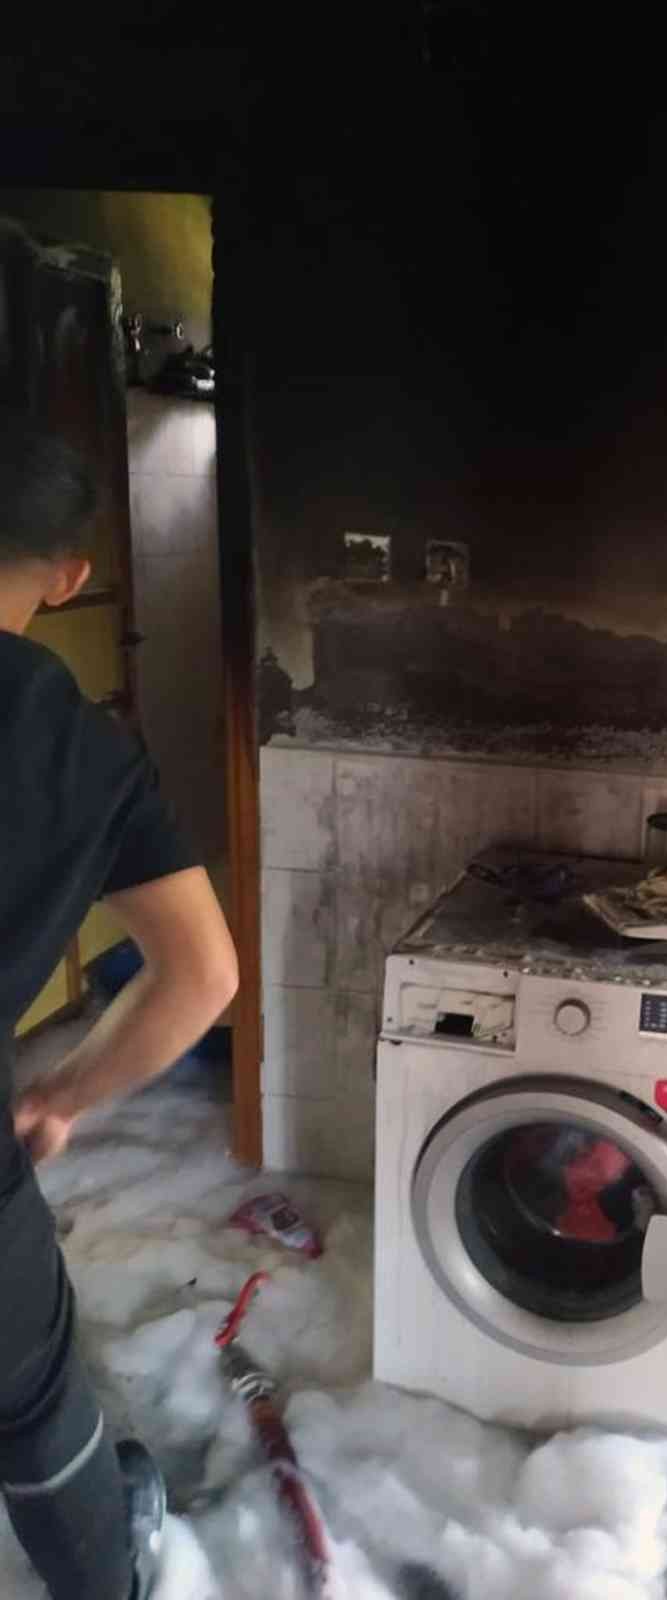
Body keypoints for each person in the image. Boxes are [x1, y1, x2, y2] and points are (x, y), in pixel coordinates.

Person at [0, 419, 239, 1599]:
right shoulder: (82, 754)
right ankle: (106, 1575)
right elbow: (201, 976)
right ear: (69, 576)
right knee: (31, 1398)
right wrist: (62, 1095)